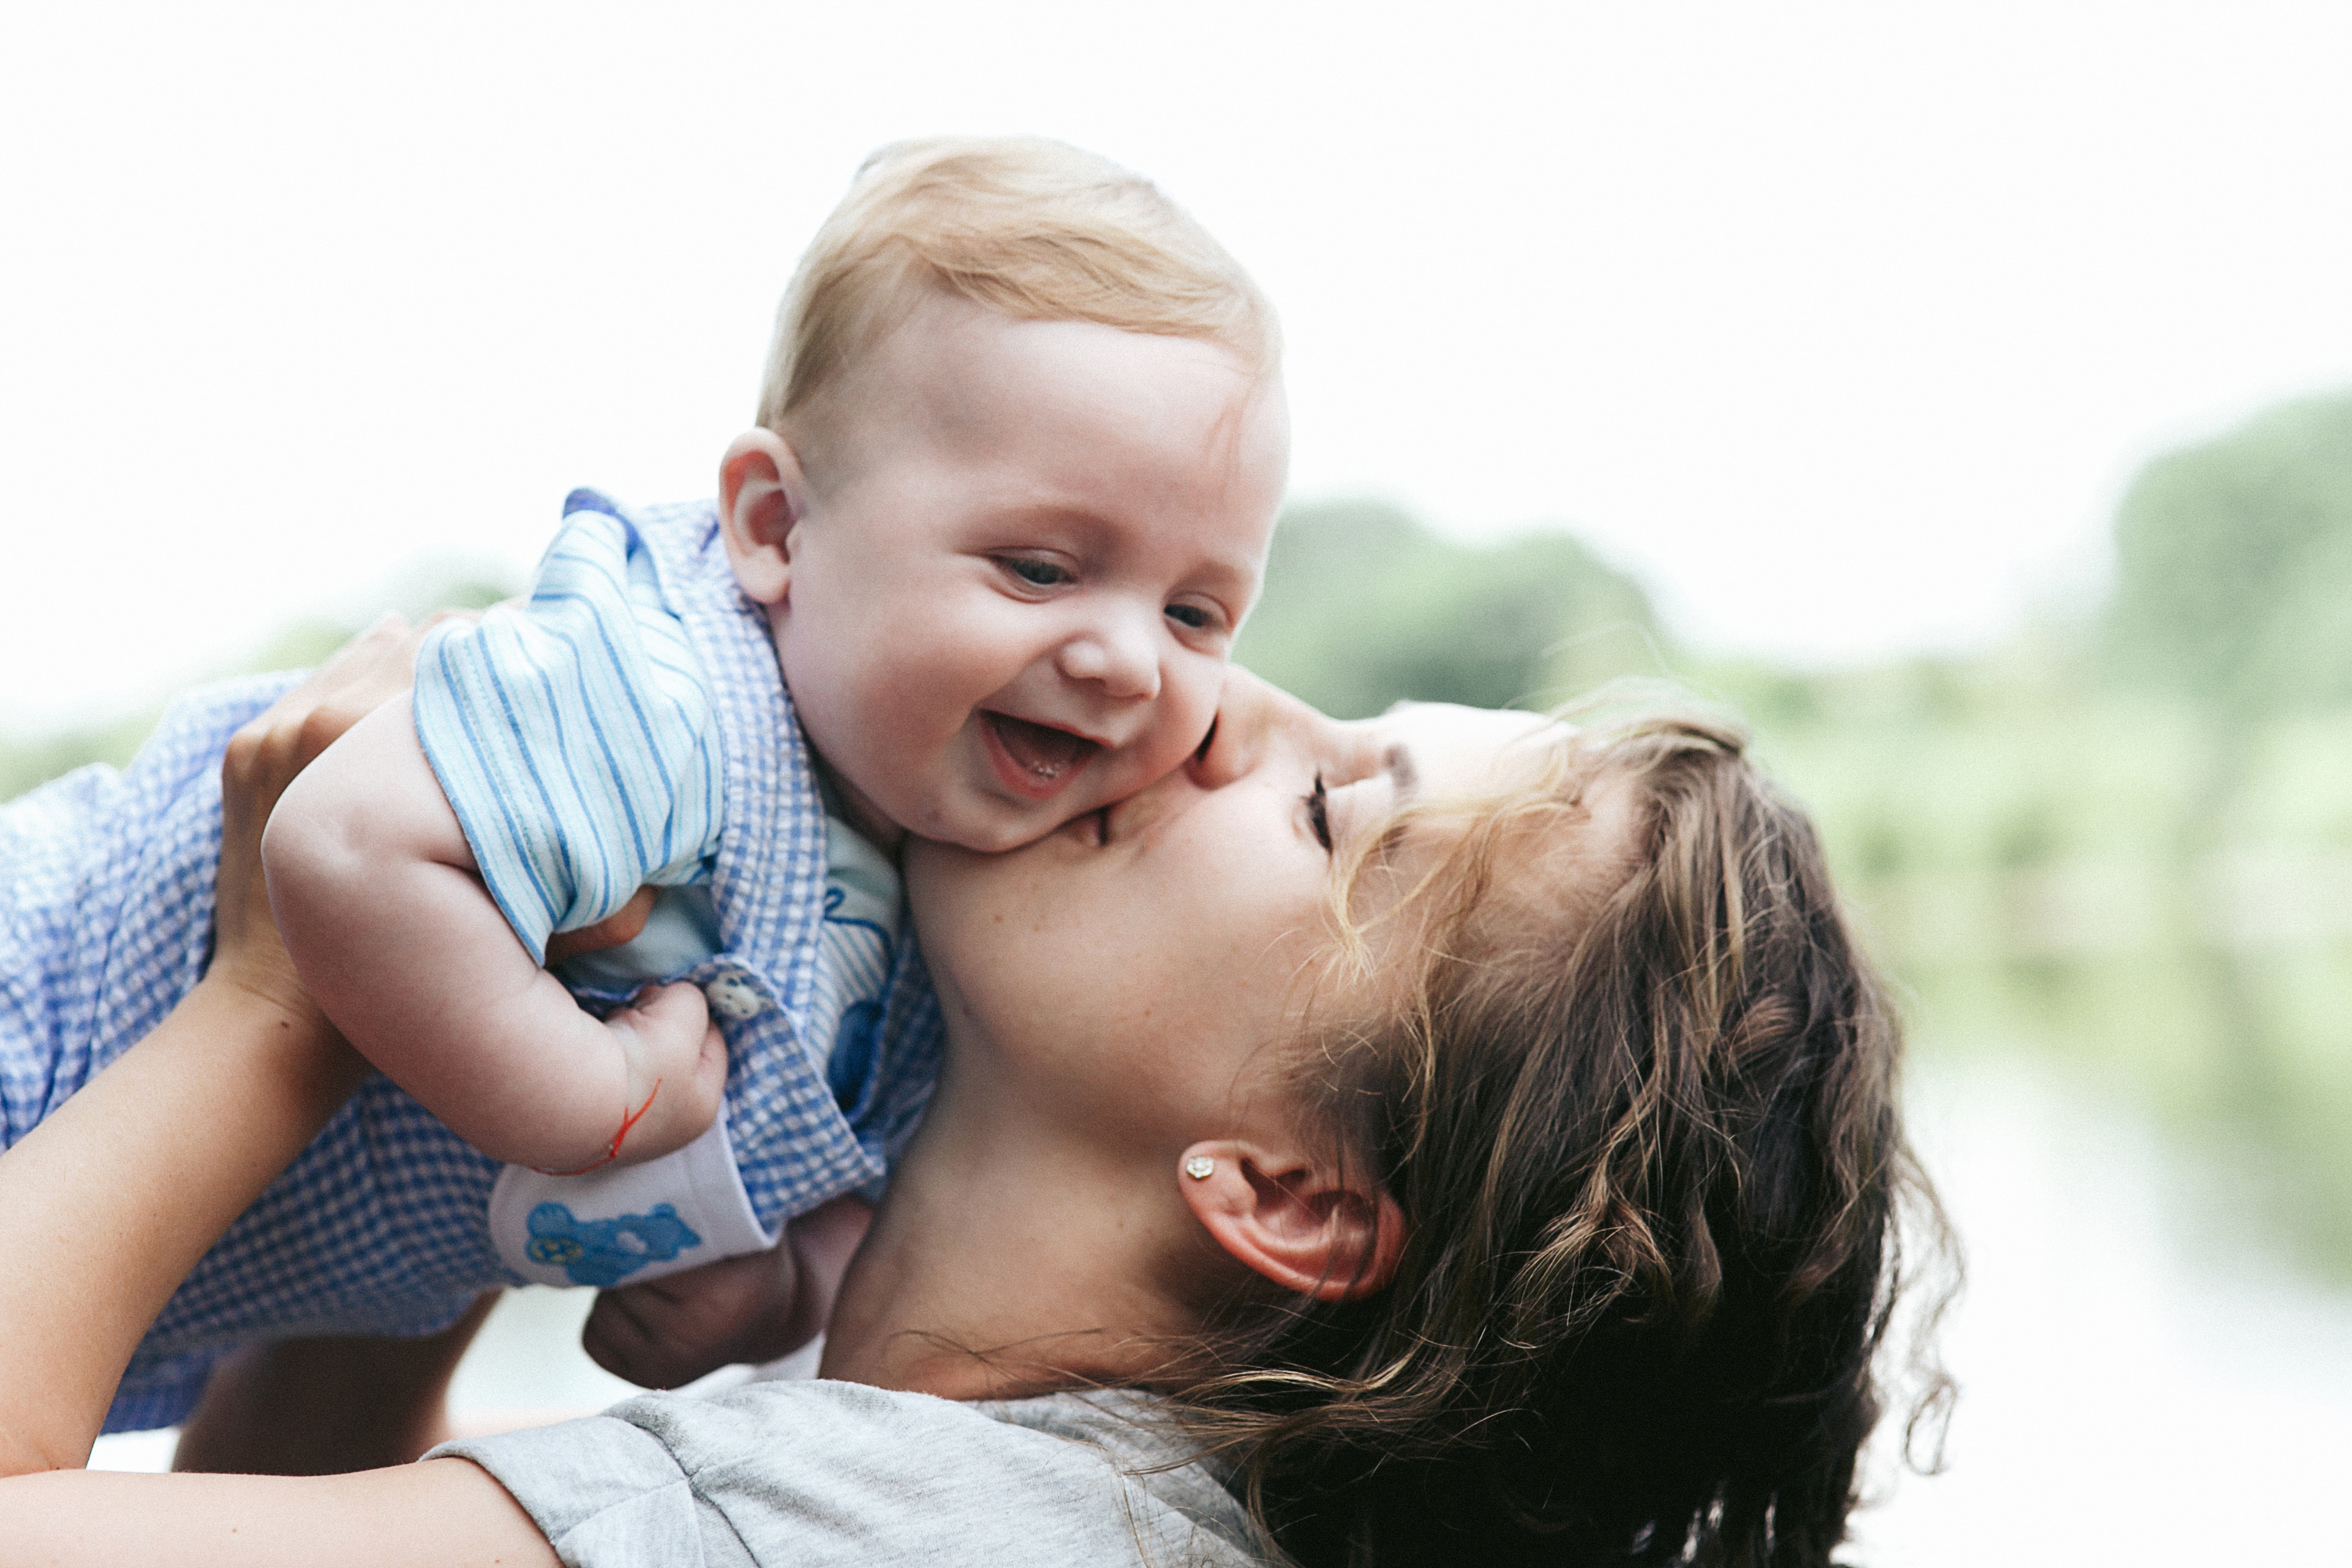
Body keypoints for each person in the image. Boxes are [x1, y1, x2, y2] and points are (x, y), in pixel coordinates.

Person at [0, 624, 1946, 1566]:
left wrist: (277, 1003)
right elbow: (280, 1525)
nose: (1201, 702)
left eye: (1327, 804)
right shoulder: (1048, 1507)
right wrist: (471, 1123)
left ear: (1285, 1191)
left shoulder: (872, 1535)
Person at [0, 135, 1286, 1432]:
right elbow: (340, 844)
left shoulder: (973, 915)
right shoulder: (667, 700)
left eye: (1194, 612)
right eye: (1041, 569)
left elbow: (878, 1162)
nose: (1126, 661)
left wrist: (781, 1283)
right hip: (38, 1028)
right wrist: (587, 1101)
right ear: (776, 530)